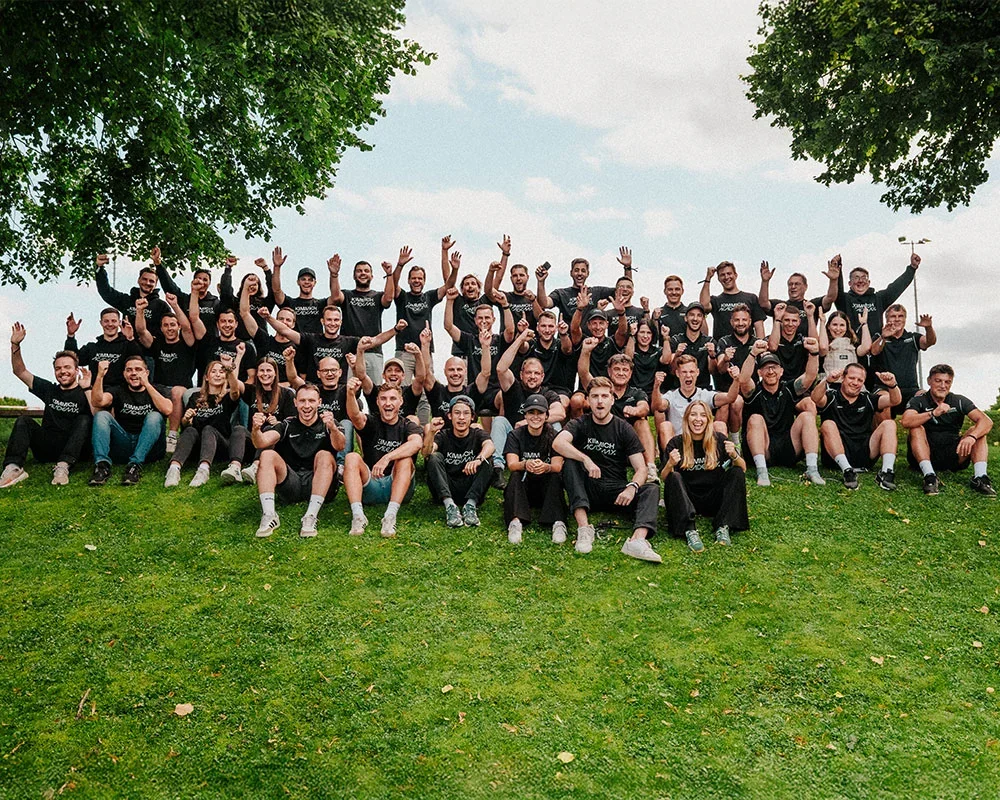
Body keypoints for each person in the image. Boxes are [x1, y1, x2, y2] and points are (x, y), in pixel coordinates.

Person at [553, 377, 660, 562]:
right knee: (570, 462)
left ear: (612, 399)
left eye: (604, 396)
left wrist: (632, 486)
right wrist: (585, 458)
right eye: (594, 396)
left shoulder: (623, 428)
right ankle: (584, 530)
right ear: (588, 400)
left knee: (652, 489)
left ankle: (637, 541)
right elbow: (558, 442)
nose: (600, 401)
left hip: (616, 491)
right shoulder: (580, 423)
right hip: (587, 488)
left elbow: (641, 468)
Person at [1, 323, 92, 488]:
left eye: (67, 367)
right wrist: (15, 345)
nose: (62, 371)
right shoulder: (49, 389)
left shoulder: (85, 391)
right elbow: (20, 371)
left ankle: (63, 467)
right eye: (58, 368)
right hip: (48, 447)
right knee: (23, 420)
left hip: (75, 450)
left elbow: (98, 413)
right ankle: (13, 468)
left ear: (76, 369)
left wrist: (87, 388)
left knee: (85, 419)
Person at [250, 383, 346, 538]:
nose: (306, 406)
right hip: (292, 483)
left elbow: (340, 446)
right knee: (266, 455)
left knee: (324, 455)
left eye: (311, 401)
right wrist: (256, 429)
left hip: (321, 482)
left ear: (319, 402)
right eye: (302, 401)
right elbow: (261, 442)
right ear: (295, 402)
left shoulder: (329, 422)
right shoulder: (287, 424)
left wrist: (333, 428)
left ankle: (311, 516)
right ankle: (269, 515)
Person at [662, 400, 749, 551]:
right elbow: (665, 478)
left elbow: (743, 468)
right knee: (674, 477)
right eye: (693, 415)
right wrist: (670, 464)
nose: (698, 419)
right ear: (687, 419)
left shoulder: (719, 440)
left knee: (736, 472)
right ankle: (689, 529)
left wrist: (734, 455)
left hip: (714, 498)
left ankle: (723, 526)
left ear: (709, 420)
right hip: (687, 498)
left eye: (702, 415)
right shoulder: (676, 443)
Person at [343, 379, 423, 537]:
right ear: (377, 402)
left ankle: (390, 516)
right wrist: (350, 393)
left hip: (399, 485)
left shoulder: (408, 425)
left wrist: (387, 457)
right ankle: (358, 516)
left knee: (405, 459)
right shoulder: (371, 421)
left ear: (400, 402)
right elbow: (354, 416)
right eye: (383, 399)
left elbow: (417, 443)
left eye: (393, 399)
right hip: (371, 484)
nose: (388, 403)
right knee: (351, 457)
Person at [900, 364, 995, 496]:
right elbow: (906, 421)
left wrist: (971, 437)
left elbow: (987, 421)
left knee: (978, 430)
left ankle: (980, 478)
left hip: (953, 454)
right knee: (916, 427)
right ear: (929, 381)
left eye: (947, 382)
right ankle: (930, 476)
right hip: (924, 453)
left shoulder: (959, 400)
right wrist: (932, 413)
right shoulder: (919, 400)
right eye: (938, 381)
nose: (943, 386)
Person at [742, 340, 825, 486]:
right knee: (755, 418)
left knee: (806, 416)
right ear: (759, 372)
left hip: (788, 447)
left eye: (774, 367)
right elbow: (743, 380)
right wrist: (752, 353)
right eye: (766, 368)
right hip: (763, 448)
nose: (770, 371)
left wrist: (813, 353)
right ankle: (762, 472)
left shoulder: (788, 388)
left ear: (781, 371)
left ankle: (812, 469)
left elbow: (810, 376)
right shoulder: (754, 391)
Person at [812, 363, 901, 490]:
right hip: (836, 454)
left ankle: (886, 472)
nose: (855, 382)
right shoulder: (832, 396)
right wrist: (827, 380)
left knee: (889, 424)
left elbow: (894, 401)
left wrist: (892, 385)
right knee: (827, 424)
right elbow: (815, 398)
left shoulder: (868, 398)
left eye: (860, 380)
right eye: (852, 378)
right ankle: (847, 471)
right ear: (843, 378)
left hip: (864, 452)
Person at [163, 353, 246, 488]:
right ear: (207, 377)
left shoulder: (226, 397)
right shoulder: (195, 397)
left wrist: (229, 369)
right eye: (213, 372)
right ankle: (173, 469)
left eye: (221, 372)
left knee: (208, 429)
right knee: (190, 430)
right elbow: (185, 425)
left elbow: (236, 392)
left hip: (219, 445)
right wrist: (186, 418)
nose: (218, 374)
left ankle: (203, 470)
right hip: (197, 446)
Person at [88, 355, 172, 486]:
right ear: (124, 374)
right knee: (101, 416)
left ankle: (135, 466)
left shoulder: (159, 389)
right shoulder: (118, 390)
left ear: (147, 372)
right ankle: (102, 466)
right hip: (124, 443)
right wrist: (99, 376)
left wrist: (147, 385)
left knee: (154, 416)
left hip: (150, 449)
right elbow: (97, 401)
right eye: (129, 370)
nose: (133, 373)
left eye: (138, 369)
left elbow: (167, 409)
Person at [134, 293, 197, 454]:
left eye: (172, 324)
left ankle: (173, 435)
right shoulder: (157, 343)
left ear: (178, 326)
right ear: (161, 328)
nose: (169, 328)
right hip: (160, 388)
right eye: (166, 325)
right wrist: (140, 311)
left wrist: (175, 305)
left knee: (176, 391)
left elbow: (189, 328)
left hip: (181, 390)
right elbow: (141, 332)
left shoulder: (187, 343)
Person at [502, 393, 568, 545]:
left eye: (540, 413)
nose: (535, 417)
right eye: (531, 412)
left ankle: (558, 522)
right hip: (524, 486)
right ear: (525, 415)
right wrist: (526, 464)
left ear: (546, 416)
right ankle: (515, 522)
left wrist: (546, 467)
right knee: (515, 475)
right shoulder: (515, 435)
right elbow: (512, 464)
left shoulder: (554, 435)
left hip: (546, 488)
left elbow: (557, 466)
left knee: (555, 476)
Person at [392, 242, 458, 390]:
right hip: (404, 350)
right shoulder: (402, 297)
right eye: (414, 278)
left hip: (424, 351)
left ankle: (424, 415)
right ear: (409, 280)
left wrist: (453, 267)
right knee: (401, 389)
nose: (417, 281)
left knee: (427, 390)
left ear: (424, 281)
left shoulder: (429, 297)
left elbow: (449, 285)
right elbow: (393, 283)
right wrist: (400, 265)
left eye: (420, 278)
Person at [651, 354, 741, 462]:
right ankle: (673, 465)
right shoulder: (671, 396)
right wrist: (656, 386)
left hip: (703, 446)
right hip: (679, 447)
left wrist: (736, 380)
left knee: (719, 425)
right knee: (665, 425)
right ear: (677, 374)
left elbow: (730, 398)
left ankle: (719, 462)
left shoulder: (705, 394)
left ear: (697, 372)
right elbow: (657, 406)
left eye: (691, 372)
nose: (688, 376)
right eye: (684, 372)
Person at [423, 395, 495, 528]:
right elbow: (426, 453)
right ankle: (450, 506)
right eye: (457, 413)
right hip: (446, 486)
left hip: (471, 485)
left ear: (473, 417)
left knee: (487, 459)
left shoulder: (477, 433)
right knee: (433, 457)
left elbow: (490, 446)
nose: (461, 417)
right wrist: (431, 432)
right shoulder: (443, 435)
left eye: (466, 413)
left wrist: (478, 460)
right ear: (450, 416)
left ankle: (470, 506)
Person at [329, 255, 396, 377]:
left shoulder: (377, 296)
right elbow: (335, 297)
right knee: (349, 391)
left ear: (372, 276)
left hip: (373, 351)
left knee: (374, 392)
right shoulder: (347, 295)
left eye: (366, 271)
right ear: (354, 276)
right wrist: (334, 275)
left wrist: (389, 275)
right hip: (350, 352)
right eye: (359, 271)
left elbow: (388, 298)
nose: (363, 273)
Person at [869, 304, 936, 415]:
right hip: (885, 387)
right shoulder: (879, 337)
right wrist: (883, 337)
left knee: (925, 398)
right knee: (882, 400)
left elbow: (929, 342)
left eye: (900, 316)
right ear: (887, 319)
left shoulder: (913, 337)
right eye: (893, 316)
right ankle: (886, 432)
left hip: (910, 389)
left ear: (905, 319)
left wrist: (928, 328)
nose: (897, 319)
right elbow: (874, 351)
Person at [835, 251, 920, 338]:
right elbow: (837, 289)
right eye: (856, 278)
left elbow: (896, 288)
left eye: (864, 278)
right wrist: (838, 268)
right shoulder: (844, 299)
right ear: (849, 283)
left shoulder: (878, 298)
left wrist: (912, 268)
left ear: (869, 282)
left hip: (876, 347)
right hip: (851, 348)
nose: (860, 281)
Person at [240, 356, 297, 484]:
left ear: (275, 373)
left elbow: (292, 422)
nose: (265, 374)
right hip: (254, 438)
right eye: (261, 370)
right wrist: (232, 365)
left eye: (269, 370)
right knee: (239, 429)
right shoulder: (251, 391)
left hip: (277, 443)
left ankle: (255, 467)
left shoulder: (287, 394)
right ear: (257, 373)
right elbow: (234, 385)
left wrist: (278, 423)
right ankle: (235, 468)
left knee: (268, 428)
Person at [537, 248, 631, 319]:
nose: (579, 274)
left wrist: (627, 268)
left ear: (587, 274)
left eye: (583, 271)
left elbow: (624, 292)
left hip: (591, 341)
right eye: (576, 270)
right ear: (571, 273)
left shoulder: (597, 292)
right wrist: (541, 282)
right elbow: (544, 303)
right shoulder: (561, 293)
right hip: (568, 341)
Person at [758, 258, 839, 336]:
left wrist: (833, 280)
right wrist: (765, 281)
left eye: (797, 284)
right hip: (782, 348)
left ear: (805, 287)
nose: (793, 287)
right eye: (790, 284)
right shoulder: (780, 306)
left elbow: (830, 298)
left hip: (807, 347)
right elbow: (763, 303)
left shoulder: (811, 305)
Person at [64, 307, 141, 389]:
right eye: (106, 321)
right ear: (101, 323)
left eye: (114, 321)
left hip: (121, 394)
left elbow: (139, 360)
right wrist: (71, 336)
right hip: (95, 392)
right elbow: (71, 360)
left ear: (119, 322)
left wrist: (130, 339)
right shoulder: (92, 347)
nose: (110, 324)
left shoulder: (127, 345)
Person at [95, 252, 171, 331]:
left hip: (151, 342)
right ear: (138, 280)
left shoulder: (161, 306)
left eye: (151, 281)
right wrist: (100, 269)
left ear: (155, 284)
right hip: (127, 342)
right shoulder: (127, 301)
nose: (147, 283)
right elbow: (106, 292)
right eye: (144, 279)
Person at [152, 245, 220, 331]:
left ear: (209, 283)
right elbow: (169, 286)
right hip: (188, 342)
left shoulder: (216, 303)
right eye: (199, 278)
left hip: (210, 343)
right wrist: (158, 264)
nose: (201, 282)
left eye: (205, 279)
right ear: (193, 281)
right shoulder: (184, 300)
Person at [270, 247, 335, 335]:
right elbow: (276, 290)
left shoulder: (321, 304)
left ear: (314, 283)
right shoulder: (290, 303)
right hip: (294, 345)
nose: (306, 282)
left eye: (310, 280)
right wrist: (277, 267)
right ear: (298, 282)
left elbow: (336, 297)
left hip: (315, 346)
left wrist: (333, 275)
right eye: (303, 279)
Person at [699, 260, 767, 340]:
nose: (726, 277)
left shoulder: (751, 298)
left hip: (747, 348)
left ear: (735, 275)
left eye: (729, 273)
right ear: (718, 279)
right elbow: (703, 306)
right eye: (722, 275)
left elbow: (759, 326)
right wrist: (708, 278)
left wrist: (760, 346)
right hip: (722, 348)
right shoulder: (715, 300)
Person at [766, 300, 819, 384]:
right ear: (781, 321)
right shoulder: (772, 339)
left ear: (799, 322)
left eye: (794, 321)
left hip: (799, 385)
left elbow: (814, 343)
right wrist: (777, 319)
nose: (790, 324)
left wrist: (810, 316)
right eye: (787, 320)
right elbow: (773, 347)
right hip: (777, 386)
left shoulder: (801, 339)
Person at [667, 303, 715, 390]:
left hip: (703, 390)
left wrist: (712, 356)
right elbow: (672, 371)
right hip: (679, 390)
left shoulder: (709, 341)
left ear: (703, 319)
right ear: (686, 318)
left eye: (699, 315)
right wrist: (677, 355)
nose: (695, 319)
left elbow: (714, 371)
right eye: (692, 315)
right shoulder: (675, 340)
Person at [818, 308, 871, 375]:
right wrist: (822, 322)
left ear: (847, 327)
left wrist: (864, 324)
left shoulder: (853, 344)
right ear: (828, 326)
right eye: (834, 325)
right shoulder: (824, 343)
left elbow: (866, 347)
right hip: (830, 383)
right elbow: (823, 348)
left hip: (850, 383)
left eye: (842, 325)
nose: (838, 329)